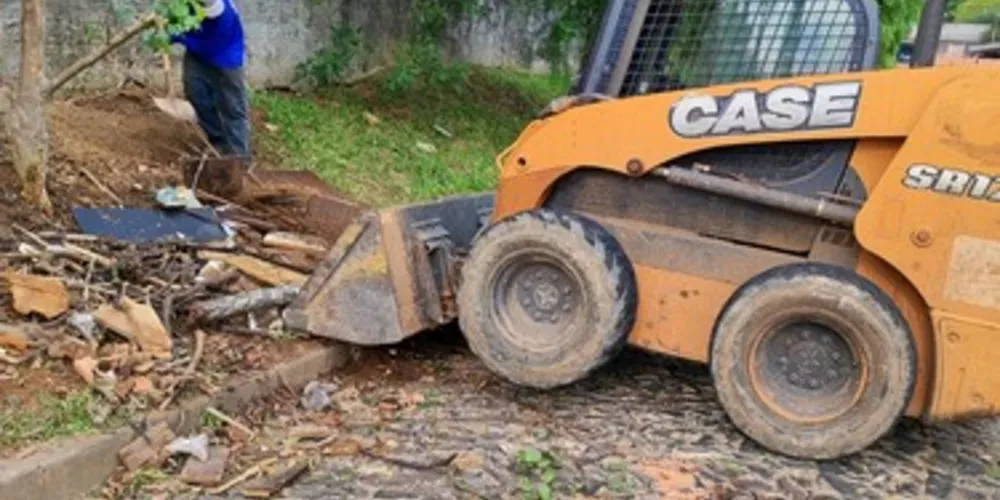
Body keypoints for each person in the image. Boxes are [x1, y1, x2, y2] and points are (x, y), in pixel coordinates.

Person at [171, 0, 251, 163]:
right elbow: (176, 18)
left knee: (233, 107)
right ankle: (218, 139)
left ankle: (240, 157)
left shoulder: (224, 19)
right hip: (197, 56)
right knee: (196, 94)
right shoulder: (188, 5)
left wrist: (178, 36)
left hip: (225, 57)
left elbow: (206, 46)